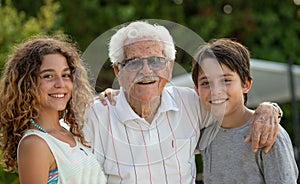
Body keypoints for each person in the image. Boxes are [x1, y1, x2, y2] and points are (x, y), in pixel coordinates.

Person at [84, 21, 282, 184]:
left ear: (169, 67)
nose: (146, 71)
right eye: (134, 62)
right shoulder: (95, 116)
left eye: (155, 61)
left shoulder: (191, 103)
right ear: (119, 71)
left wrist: (269, 108)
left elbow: (235, 112)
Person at [0, 35, 106, 183]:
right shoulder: (35, 144)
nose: (60, 83)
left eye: (66, 75)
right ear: (27, 84)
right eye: (48, 76)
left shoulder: (69, 130)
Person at [192, 38, 298, 183]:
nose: (216, 90)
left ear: (246, 84)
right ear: (197, 90)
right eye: (206, 83)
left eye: (226, 80)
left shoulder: (267, 133)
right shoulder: (202, 134)